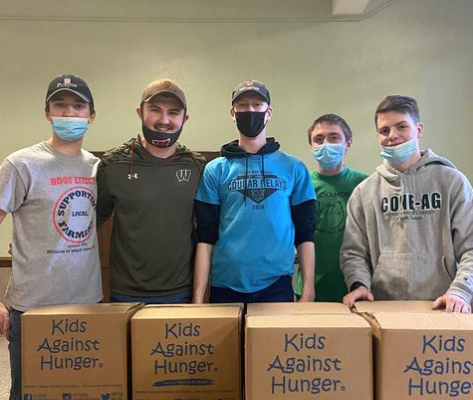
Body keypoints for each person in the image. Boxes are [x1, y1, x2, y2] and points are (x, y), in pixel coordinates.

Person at [0, 74, 102, 400]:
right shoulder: (21, 164)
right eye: (60, 105)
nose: (69, 113)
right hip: (33, 308)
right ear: (47, 112)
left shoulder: (97, 168)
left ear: (91, 115)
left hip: (87, 305)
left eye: (77, 106)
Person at [341, 94, 473, 313]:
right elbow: (354, 253)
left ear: (418, 129)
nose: (392, 136)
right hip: (384, 308)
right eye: (384, 131)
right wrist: (359, 284)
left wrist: (460, 291)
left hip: (443, 306)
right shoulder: (364, 192)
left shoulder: (452, 182)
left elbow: (470, 246)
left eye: (401, 127)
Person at [193, 79, 316, 304]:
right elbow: (205, 237)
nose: (250, 110)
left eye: (257, 105)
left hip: (276, 285)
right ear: (233, 112)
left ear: (268, 112)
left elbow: (305, 233)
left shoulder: (294, 168)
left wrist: (308, 287)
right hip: (225, 284)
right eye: (242, 105)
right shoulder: (216, 169)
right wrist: (198, 298)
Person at [96, 79, 205, 304]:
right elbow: (87, 222)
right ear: (140, 112)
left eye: (173, 112)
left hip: (182, 292)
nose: (164, 120)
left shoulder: (197, 166)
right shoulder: (113, 164)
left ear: (184, 118)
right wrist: (41, 242)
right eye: (155, 110)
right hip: (125, 294)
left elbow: (211, 229)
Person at [294, 114, 368, 302]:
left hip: (357, 287)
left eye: (334, 137)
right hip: (310, 289)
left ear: (348, 144)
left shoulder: (365, 184)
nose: (325, 144)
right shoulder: (302, 185)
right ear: (312, 146)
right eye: (319, 139)